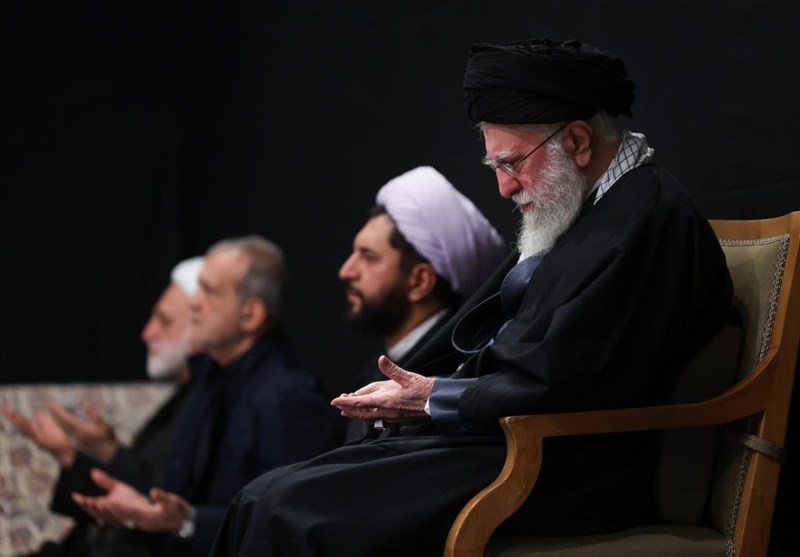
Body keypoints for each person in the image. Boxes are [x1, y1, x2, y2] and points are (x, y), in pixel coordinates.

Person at [209, 38, 735, 557]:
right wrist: (422, 391)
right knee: (262, 497)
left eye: (512, 163)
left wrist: (433, 398)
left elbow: (572, 379)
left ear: (577, 141)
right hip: (508, 438)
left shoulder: (650, 220)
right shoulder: (588, 207)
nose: (505, 188)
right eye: (496, 168)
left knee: (287, 511)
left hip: (567, 463)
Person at [69, 235, 343, 557]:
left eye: (209, 292)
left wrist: (187, 521)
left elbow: (284, 522)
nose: (194, 303)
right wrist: (145, 505)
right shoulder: (210, 375)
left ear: (251, 315)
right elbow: (174, 489)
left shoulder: (288, 397)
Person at [1, 255, 205, 557]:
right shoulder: (185, 396)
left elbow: (155, 505)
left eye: (164, 321)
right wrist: (79, 452)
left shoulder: (213, 404)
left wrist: (94, 453)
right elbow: (132, 494)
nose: (147, 333)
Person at [339, 165, 508, 441]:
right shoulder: (376, 366)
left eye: (368, 257)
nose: (346, 271)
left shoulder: (450, 374)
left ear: (419, 281)